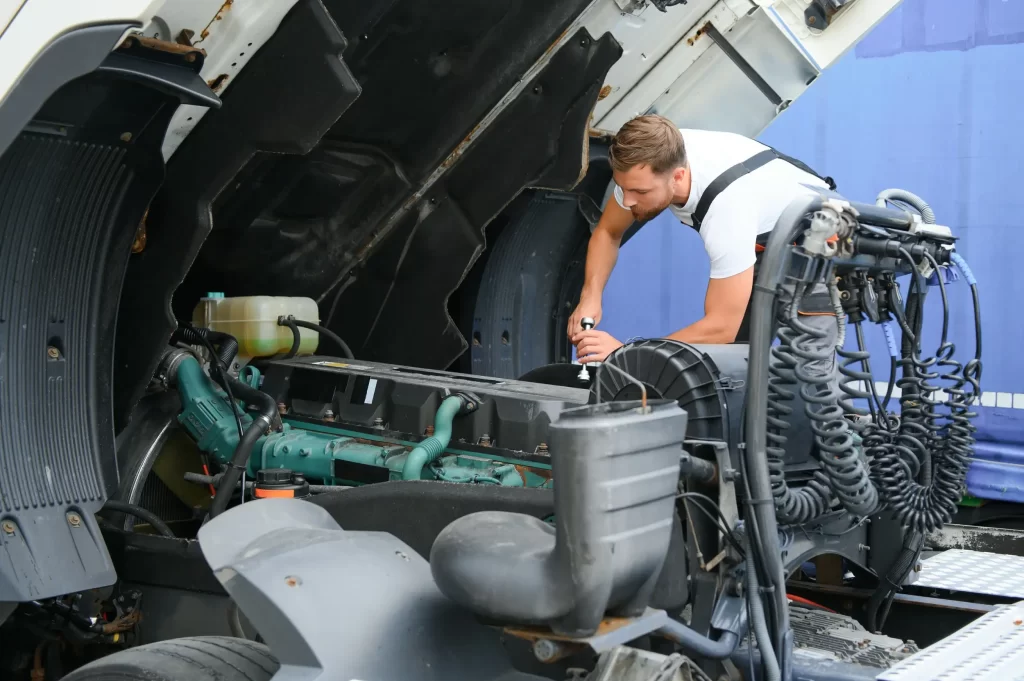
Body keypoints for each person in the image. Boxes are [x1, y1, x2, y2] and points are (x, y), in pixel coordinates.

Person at [568, 114, 838, 365]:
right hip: (758, 240)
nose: (627, 201)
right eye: (622, 187)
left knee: (809, 386)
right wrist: (590, 296)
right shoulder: (656, 151)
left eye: (639, 191)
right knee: (733, 370)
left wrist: (626, 353)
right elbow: (608, 232)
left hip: (814, 244)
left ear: (678, 176)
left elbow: (721, 328)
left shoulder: (727, 210)